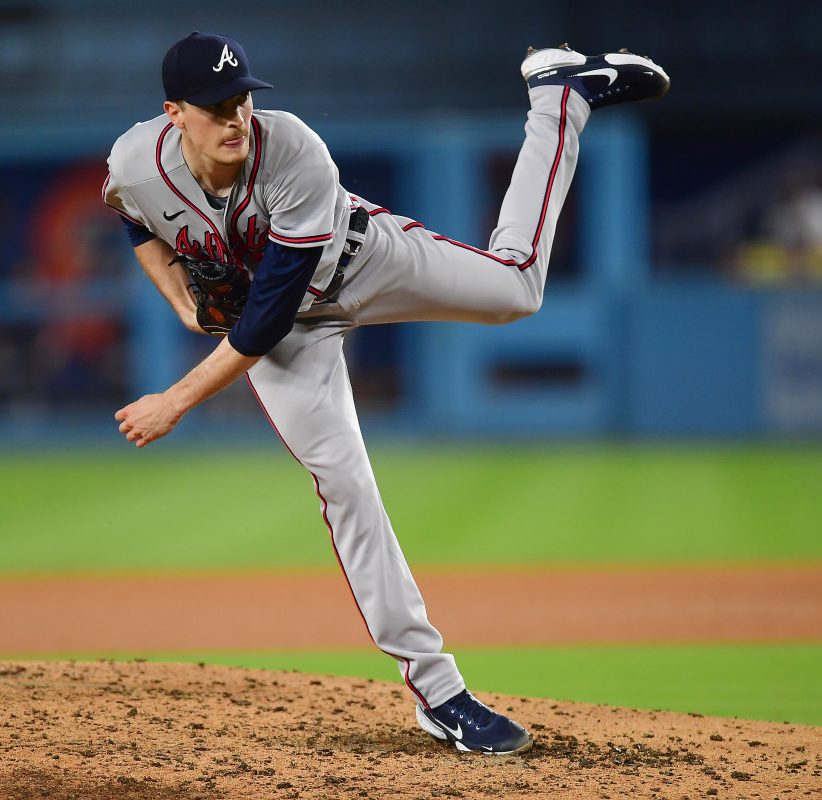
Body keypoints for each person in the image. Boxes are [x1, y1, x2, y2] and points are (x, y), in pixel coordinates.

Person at [104, 32, 668, 755]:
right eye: (215, 107)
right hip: (288, 341)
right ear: (173, 114)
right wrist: (181, 301)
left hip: (359, 262)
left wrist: (176, 399)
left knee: (516, 291)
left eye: (241, 98)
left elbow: (264, 320)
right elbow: (132, 219)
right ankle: (441, 695)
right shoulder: (134, 164)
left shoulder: (295, 151)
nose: (236, 117)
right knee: (348, 488)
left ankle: (558, 97)